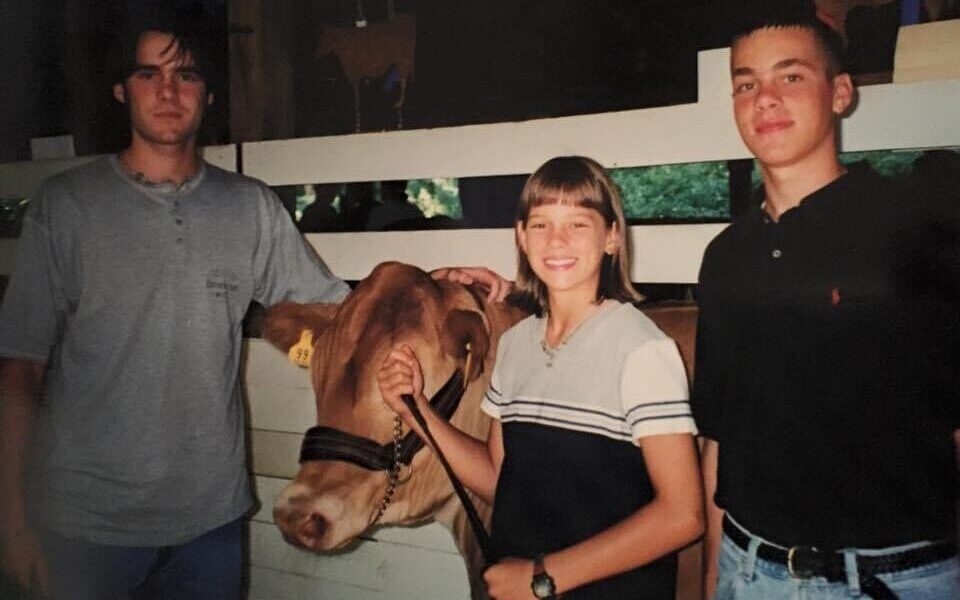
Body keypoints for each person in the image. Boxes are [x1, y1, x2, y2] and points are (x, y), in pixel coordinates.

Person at [0, 17, 508, 600]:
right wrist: (12, 521)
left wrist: (435, 291)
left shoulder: (250, 209)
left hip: (210, 524)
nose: (168, 91)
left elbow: (349, 319)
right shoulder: (66, 208)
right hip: (86, 527)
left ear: (208, 93)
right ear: (121, 89)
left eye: (186, 75)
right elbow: (19, 369)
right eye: (148, 74)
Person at [693, 9, 960, 599]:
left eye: (790, 77)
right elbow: (720, 440)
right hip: (750, 569)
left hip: (899, 577)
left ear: (840, 93)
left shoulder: (916, 227)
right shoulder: (725, 257)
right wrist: (715, 583)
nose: (764, 98)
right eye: (746, 83)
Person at [379, 156, 704, 599]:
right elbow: (499, 478)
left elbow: (682, 515)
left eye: (578, 224)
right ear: (521, 236)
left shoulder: (642, 350)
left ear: (611, 237)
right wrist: (417, 410)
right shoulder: (516, 345)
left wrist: (542, 577)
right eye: (541, 224)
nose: (557, 240)